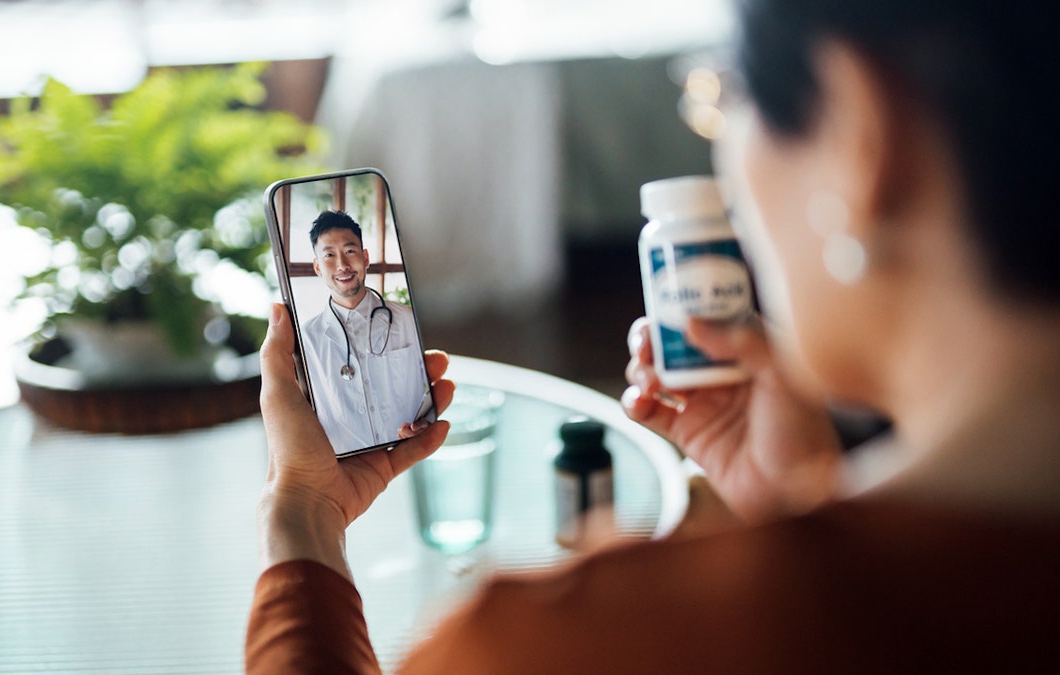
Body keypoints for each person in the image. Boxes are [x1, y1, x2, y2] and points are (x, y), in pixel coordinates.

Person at [247, 0, 1060, 671]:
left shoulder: (564, 644)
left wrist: (305, 515)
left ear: (860, 136)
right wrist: (800, 502)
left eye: (723, 94)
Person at [299, 210, 432, 454]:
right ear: (317, 267)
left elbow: (433, 388)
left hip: (410, 455)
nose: (342, 265)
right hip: (346, 471)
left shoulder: (410, 320)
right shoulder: (304, 341)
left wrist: (427, 422)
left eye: (350, 251)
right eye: (329, 255)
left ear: (366, 257)